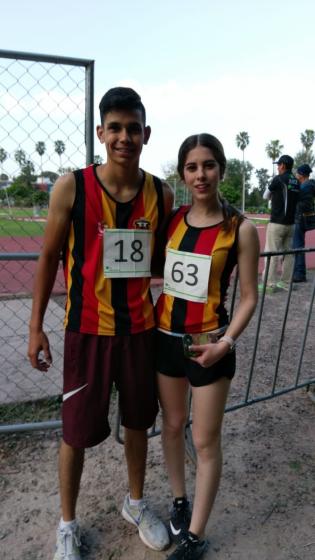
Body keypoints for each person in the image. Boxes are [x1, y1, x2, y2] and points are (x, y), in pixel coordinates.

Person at [27, 86, 174, 559]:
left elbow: (168, 260)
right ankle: (67, 525)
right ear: (100, 133)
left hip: (139, 332)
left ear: (146, 134)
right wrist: (35, 326)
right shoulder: (72, 186)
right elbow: (49, 255)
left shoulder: (161, 193)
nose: (124, 137)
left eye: (133, 128)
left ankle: (135, 504)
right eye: (115, 128)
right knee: (75, 432)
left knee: (137, 423)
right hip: (86, 331)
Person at [155, 133, 260, 559]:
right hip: (164, 339)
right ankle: (180, 499)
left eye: (209, 165)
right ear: (183, 173)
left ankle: (194, 535)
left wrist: (227, 342)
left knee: (205, 440)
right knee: (173, 426)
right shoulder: (173, 220)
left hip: (210, 346)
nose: (201, 174)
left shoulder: (241, 229)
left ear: (222, 169)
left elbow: (250, 296)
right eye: (193, 167)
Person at [259, 154, 300, 293]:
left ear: (283, 165)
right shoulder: (296, 181)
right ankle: (286, 282)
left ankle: (269, 284)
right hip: (291, 224)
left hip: (277, 223)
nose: (277, 167)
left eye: (278, 165)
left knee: (271, 253)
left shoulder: (278, 179)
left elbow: (265, 196)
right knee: (289, 254)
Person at [292, 163, 315, 282]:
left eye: (297, 173)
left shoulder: (305, 187)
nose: (296, 175)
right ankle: (298, 271)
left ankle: (299, 273)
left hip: (300, 218)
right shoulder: (310, 184)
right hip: (305, 218)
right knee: (297, 245)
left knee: (297, 246)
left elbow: (299, 201)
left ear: (301, 175)